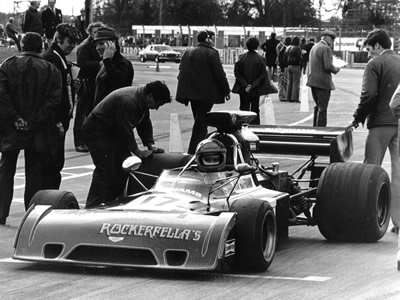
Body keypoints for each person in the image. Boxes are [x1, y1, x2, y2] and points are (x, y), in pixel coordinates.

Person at [0, 32, 62, 225]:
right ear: (40, 47)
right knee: (34, 172)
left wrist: (16, 117)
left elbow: (1, 96)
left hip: (10, 128)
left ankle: (1, 212)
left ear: (22, 45)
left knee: (6, 171)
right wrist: (33, 120)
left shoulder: (7, 65)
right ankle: (31, 215)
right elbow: (54, 101)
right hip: (37, 130)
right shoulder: (51, 70)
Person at [82, 81, 171, 208]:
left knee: (125, 167)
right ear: (150, 96)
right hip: (98, 132)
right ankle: (92, 206)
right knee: (106, 170)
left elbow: (144, 124)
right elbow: (125, 130)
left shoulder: (143, 102)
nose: (156, 108)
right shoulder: (128, 101)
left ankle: (112, 203)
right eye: (157, 104)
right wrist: (137, 152)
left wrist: (150, 144)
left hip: (113, 133)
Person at [349, 29, 400, 235]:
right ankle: (398, 221)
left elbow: (368, 95)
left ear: (378, 46)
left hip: (380, 122)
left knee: (371, 172)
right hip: (399, 122)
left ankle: (369, 219)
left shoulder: (375, 64)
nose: (368, 54)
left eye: (369, 50)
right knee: (398, 172)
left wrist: (358, 118)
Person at [41, 23, 82, 189]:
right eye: (69, 42)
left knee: (56, 164)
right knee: (51, 165)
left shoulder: (60, 58)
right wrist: (56, 120)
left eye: (74, 43)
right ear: (58, 39)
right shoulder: (51, 58)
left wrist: (73, 87)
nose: (72, 46)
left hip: (61, 122)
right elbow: (49, 93)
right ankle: (48, 199)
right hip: (54, 124)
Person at [176, 30, 230, 154]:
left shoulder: (188, 52)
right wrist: (226, 90)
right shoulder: (211, 53)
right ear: (208, 39)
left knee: (199, 119)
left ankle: (202, 146)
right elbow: (219, 74)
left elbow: (181, 71)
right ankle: (193, 151)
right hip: (207, 94)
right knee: (201, 122)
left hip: (191, 93)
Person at [73, 22, 105, 153]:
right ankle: (79, 142)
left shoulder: (98, 44)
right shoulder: (85, 46)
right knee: (82, 113)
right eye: (95, 32)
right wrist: (99, 64)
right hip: (86, 82)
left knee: (93, 112)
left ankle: (89, 140)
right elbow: (82, 64)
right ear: (90, 33)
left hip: (95, 81)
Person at [232, 37, 272, 125]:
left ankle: (242, 126)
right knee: (255, 108)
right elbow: (263, 74)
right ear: (257, 46)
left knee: (243, 108)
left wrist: (245, 85)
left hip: (243, 88)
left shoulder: (241, 57)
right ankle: (255, 127)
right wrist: (253, 85)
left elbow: (237, 74)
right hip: (255, 88)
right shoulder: (261, 59)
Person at [92, 26, 134, 107]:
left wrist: (107, 60)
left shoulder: (124, 64)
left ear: (113, 43)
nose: (97, 48)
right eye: (96, 44)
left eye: (101, 43)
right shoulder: (104, 63)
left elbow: (118, 83)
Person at [307, 30, 340, 127]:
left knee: (318, 106)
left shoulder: (315, 47)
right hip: (322, 83)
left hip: (313, 81)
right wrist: (336, 69)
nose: (332, 42)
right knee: (323, 108)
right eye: (332, 39)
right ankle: (320, 131)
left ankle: (315, 128)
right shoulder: (325, 48)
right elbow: (328, 66)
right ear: (327, 37)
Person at [286, 36, 302, 103]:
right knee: (295, 82)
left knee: (290, 82)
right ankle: (294, 98)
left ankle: (288, 97)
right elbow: (299, 57)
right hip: (295, 66)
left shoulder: (289, 48)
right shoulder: (297, 48)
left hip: (289, 65)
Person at [276, 36, 291, 102]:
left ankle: (283, 95)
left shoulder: (283, 49)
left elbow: (280, 59)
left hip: (283, 67)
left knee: (283, 82)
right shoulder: (287, 49)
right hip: (285, 67)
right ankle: (283, 96)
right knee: (284, 82)